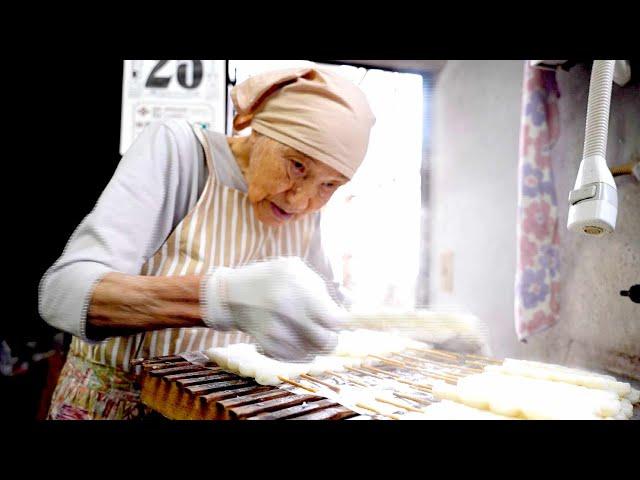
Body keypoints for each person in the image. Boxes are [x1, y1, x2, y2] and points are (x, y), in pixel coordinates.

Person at [38, 66, 376, 419]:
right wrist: (219, 298)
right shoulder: (182, 153)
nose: (300, 200)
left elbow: (324, 310)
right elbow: (63, 293)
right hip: (118, 405)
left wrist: (322, 324)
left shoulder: (305, 212)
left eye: (329, 185)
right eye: (296, 166)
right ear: (259, 130)